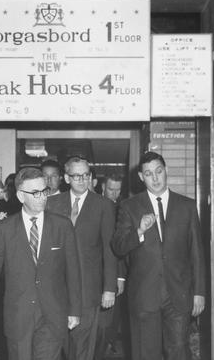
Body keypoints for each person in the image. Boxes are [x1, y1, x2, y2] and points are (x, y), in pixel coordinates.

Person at [0, 167, 82, 360]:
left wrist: (74, 310)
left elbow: (73, 270)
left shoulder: (62, 226)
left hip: (52, 315)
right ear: (21, 196)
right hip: (18, 316)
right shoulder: (4, 229)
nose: (42, 197)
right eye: (35, 193)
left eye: (44, 191)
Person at [111, 151, 205, 360]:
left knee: (179, 352)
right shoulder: (129, 207)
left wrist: (199, 292)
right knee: (146, 354)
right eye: (148, 173)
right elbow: (118, 246)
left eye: (158, 171)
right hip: (144, 295)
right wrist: (139, 232)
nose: (155, 178)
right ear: (141, 177)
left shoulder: (187, 206)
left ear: (166, 171)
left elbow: (196, 252)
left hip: (179, 295)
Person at [46, 157, 117, 360]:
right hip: (56, 289)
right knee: (57, 346)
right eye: (77, 176)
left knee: (82, 348)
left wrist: (109, 288)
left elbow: (109, 249)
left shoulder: (103, 205)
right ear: (67, 178)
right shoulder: (52, 204)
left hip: (88, 288)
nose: (82, 180)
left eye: (86, 175)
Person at [94, 173, 128, 360]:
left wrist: (120, 276)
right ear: (102, 188)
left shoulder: (122, 210)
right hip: (93, 271)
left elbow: (119, 247)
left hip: (113, 273)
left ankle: (106, 348)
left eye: (117, 190)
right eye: (110, 189)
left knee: (108, 321)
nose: (114, 194)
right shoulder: (95, 206)